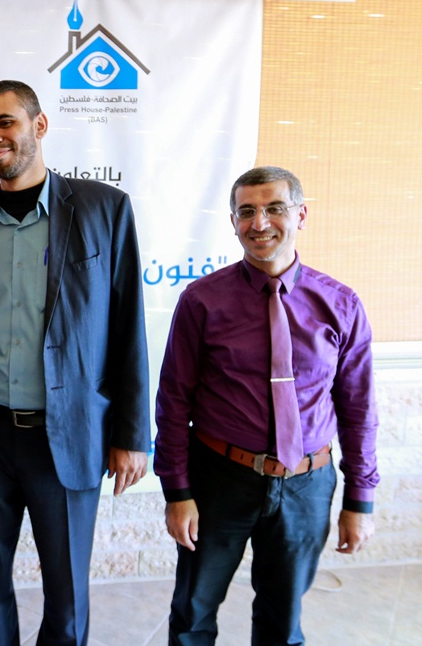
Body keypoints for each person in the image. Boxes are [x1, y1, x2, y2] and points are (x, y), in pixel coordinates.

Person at [0, 80, 151, 646]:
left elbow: (128, 324)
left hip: (68, 432)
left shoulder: (104, 209)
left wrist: (133, 434)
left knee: (66, 592)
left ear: (39, 125)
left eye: (5, 122)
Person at [154, 166, 379, 644]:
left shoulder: (341, 304)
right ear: (233, 222)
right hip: (219, 480)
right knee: (192, 614)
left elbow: (358, 408)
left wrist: (360, 499)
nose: (259, 223)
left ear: (301, 215)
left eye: (274, 208)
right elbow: (173, 401)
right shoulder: (201, 301)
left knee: (282, 622)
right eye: (246, 212)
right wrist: (177, 492)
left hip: (306, 485)